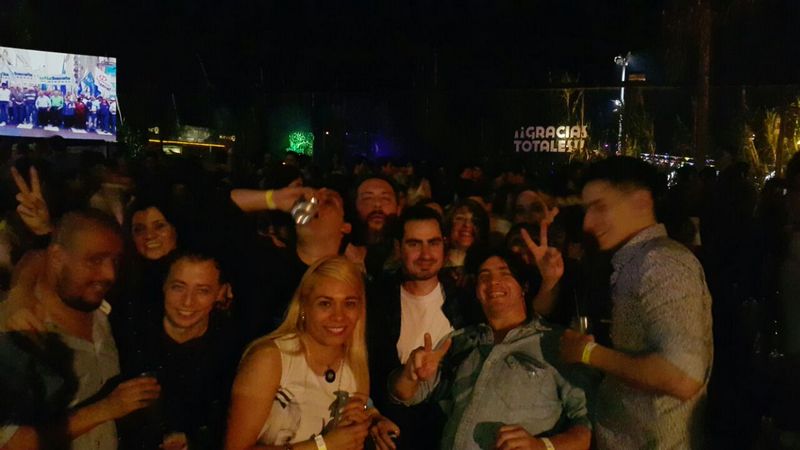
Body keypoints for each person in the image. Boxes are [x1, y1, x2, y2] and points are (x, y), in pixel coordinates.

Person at [560, 156, 712, 449]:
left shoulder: (661, 262)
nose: (588, 223)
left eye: (599, 208)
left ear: (641, 202)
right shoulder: (634, 261)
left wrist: (588, 353)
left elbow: (682, 376)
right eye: (586, 210)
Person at [391, 250, 591, 450]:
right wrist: (410, 375)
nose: (494, 282)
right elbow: (405, 395)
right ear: (477, 291)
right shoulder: (459, 342)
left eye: (505, 274)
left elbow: (587, 424)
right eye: (484, 276)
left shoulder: (557, 342)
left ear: (524, 287)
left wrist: (541, 446)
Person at [0, 209, 161, 449]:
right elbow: (11, 444)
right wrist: (107, 409)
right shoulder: (15, 332)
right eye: (95, 260)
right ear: (57, 258)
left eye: (115, 261)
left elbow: (37, 256)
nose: (109, 274)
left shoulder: (102, 313)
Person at [225, 256, 398, 450]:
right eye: (325, 303)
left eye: (349, 303)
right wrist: (323, 446)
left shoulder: (355, 365)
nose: (338, 316)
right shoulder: (270, 359)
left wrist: (372, 422)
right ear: (303, 307)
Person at [367, 205, 475, 450]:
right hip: (390, 432)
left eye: (433, 243)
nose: (426, 254)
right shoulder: (375, 300)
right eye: (414, 244)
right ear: (398, 248)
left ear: (444, 245)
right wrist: (370, 413)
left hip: (451, 432)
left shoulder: (466, 302)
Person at [117, 251, 241, 450]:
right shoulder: (128, 335)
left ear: (220, 292)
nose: (187, 302)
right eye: (178, 287)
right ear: (164, 286)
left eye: (202, 291)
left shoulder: (231, 349)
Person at [350, 175, 400, 278]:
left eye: (385, 199)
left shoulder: (406, 258)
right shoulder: (342, 255)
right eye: (367, 198)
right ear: (354, 206)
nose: (377, 204)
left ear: (398, 208)